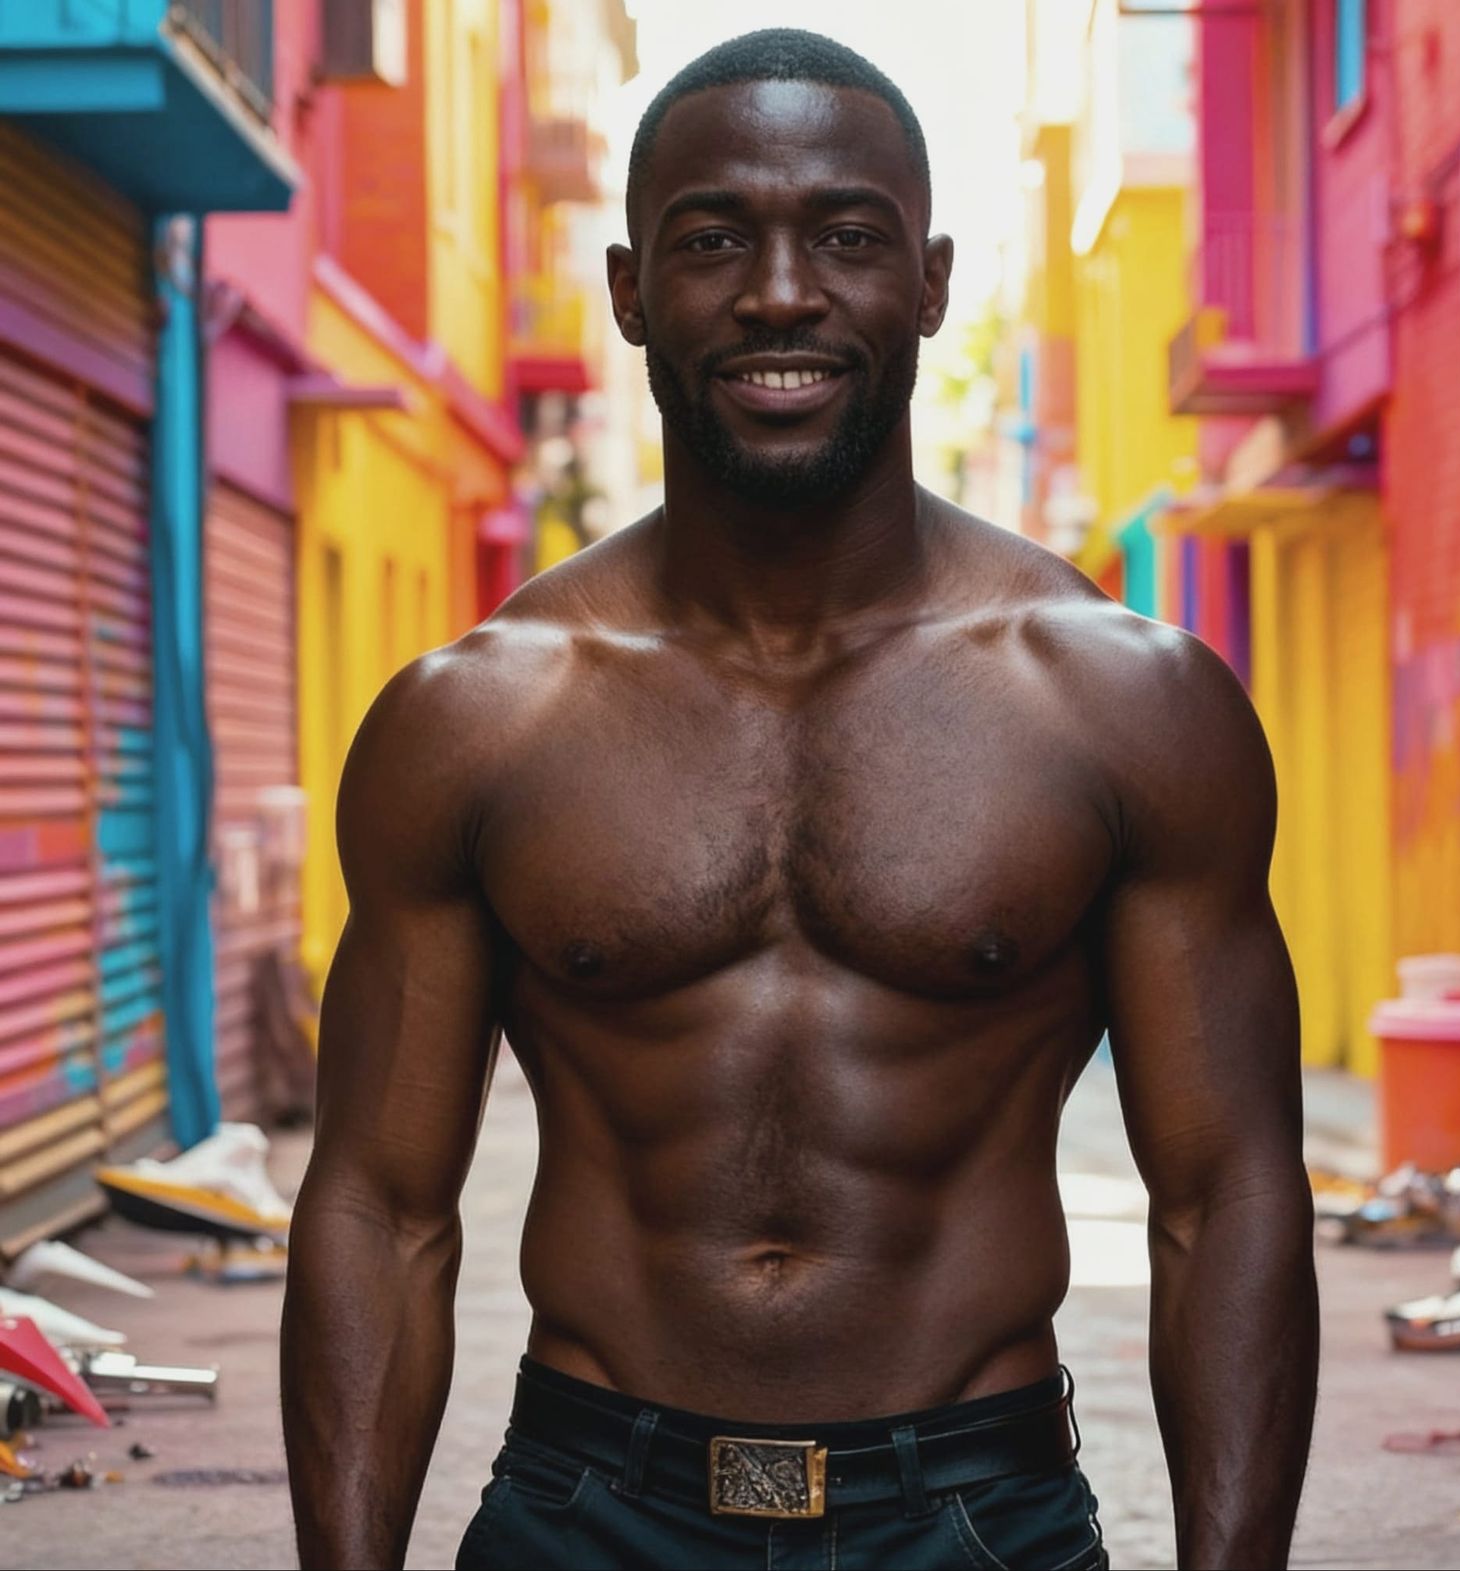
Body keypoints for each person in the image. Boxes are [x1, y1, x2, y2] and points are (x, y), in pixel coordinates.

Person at [282, 29, 1318, 1571]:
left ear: (933, 281)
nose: (780, 292)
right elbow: (378, 1203)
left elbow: (1225, 1198)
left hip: (972, 1510)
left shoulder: (1120, 705)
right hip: (589, 1504)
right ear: (633, 290)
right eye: (715, 241)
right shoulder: (479, 720)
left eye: (847, 236)